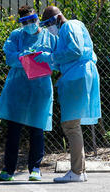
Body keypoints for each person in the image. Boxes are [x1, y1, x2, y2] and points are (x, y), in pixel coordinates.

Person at [35, 6, 101, 183]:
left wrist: (51, 57)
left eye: (49, 24)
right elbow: (67, 57)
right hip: (77, 74)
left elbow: (75, 51)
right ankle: (80, 170)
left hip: (77, 76)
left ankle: (77, 172)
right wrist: (47, 59)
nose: (49, 28)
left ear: (57, 18)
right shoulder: (69, 28)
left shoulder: (69, 26)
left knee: (71, 125)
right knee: (73, 124)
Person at [0, 5, 57, 181]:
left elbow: (57, 58)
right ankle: (8, 170)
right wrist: (23, 56)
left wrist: (46, 57)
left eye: (33, 20)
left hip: (40, 89)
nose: (30, 24)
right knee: (14, 131)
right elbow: (9, 57)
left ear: (38, 18)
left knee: (37, 130)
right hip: (18, 89)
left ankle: (35, 168)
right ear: (21, 23)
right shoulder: (16, 35)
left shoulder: (50, 36)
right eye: (25, 22)